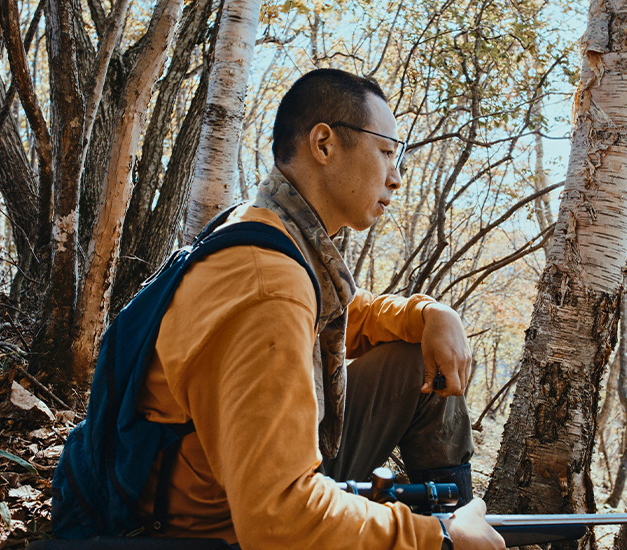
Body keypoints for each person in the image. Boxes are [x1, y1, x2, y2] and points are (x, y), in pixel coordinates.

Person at [136, 68, 505, 550]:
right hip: (213, 526)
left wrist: (433, 314)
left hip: (237, 483)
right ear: (324, 145)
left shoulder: (269, 231)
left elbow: (351, 316)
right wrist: (436, 538)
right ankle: (457, 527)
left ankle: (456, 511)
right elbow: (277, 520)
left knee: (418, 354)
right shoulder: (269, 282)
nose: (396, 177)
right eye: (387, 152)